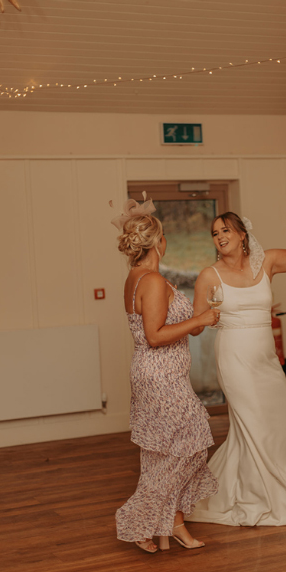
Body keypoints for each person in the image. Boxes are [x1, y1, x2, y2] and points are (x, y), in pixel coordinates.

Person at [187, 210, 286, 527]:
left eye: (226, 230)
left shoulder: (268, 261)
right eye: (215, 233)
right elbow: (196, 326)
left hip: (265, 360)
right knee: (253, 427)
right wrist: (199, 318)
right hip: (234, 357)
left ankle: (230, 488)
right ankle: (262, 498)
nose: (220, 236)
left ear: (242, 234)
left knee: (283, 424)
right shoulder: (210, 275)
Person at [111, 195, 220, 553]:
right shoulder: (153, 281)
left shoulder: (136, 277)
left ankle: (172, 525)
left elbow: (169, 328)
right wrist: (199, 320)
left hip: (155, 373)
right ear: (159, 241)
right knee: (190, 445)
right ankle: (138, 519)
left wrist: (198, 320)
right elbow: (156, 336)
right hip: (160, 376)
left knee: (163, 452)